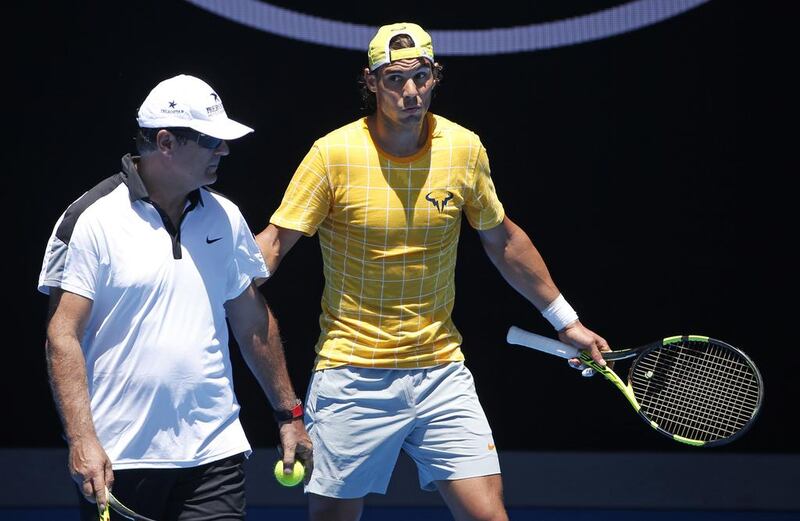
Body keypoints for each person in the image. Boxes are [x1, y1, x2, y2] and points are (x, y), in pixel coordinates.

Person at [255, 23, 609, 521]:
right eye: (396, 78)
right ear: (372, 82)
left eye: (421, 76)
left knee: (489, 516)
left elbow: (502, 239)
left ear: (435, 77)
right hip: (352, 373)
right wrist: (217, 295)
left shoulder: (463, 149)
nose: (410, 91)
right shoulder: (331, 154)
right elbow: (274, 242)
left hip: (440, 370)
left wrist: (565, 321)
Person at [38, 74, 313, 521]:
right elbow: (62, 336)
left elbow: (251, 320)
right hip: (119, 460)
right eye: (210, 140)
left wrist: (289, 414)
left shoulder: (226, 216)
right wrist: (82, 439)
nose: (223, 151)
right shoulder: (90, 219)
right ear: (165, 142)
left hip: (215, 453)